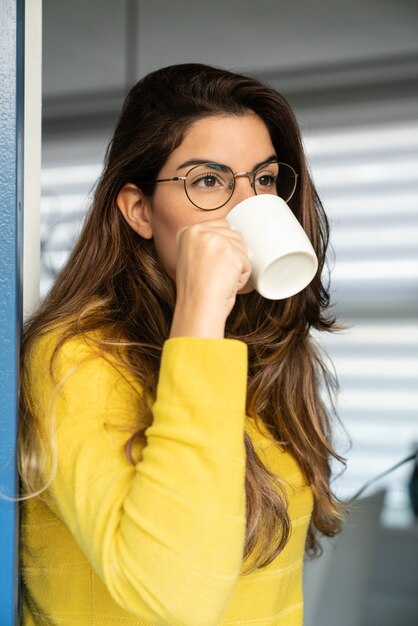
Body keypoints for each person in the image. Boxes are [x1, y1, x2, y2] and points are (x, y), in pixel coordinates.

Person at [19, 63, 346, 626]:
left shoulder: (264, 353)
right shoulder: (78, 357)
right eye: (209, 181)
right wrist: (198, 313)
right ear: (140, 210)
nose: (248, 207)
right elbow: (177, 597)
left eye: (264, 181)